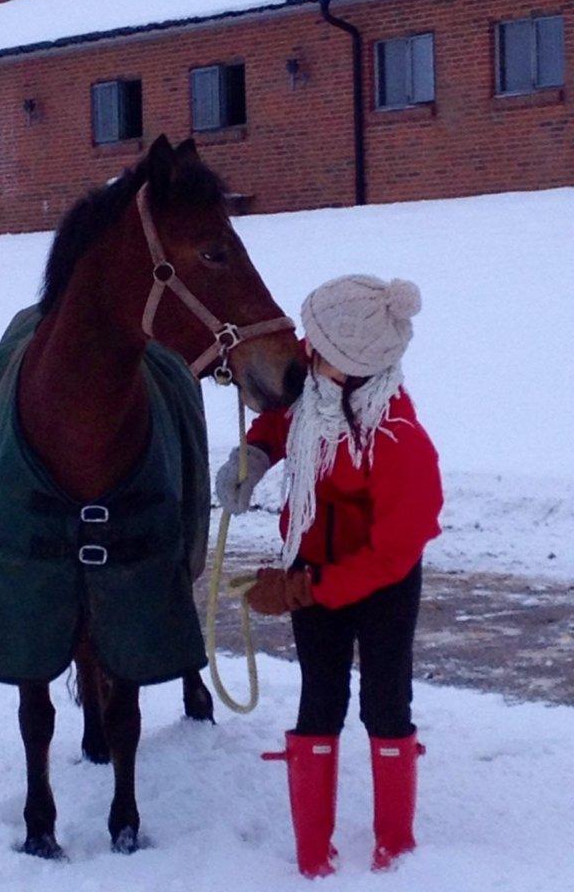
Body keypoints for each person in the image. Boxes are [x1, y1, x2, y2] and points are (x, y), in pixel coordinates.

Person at [216, 274, 444, 878]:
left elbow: (394, 554)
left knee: (386, 701)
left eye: (313, 342)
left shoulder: (400, 442)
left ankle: (395, 850)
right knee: (321, 696)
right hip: (311, 567)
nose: (302, 349)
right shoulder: (313, 396)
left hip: (381, 585)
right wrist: (255, 456)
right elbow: (283, 423)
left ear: (348, 364)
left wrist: (303, 590)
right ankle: (313, 855)